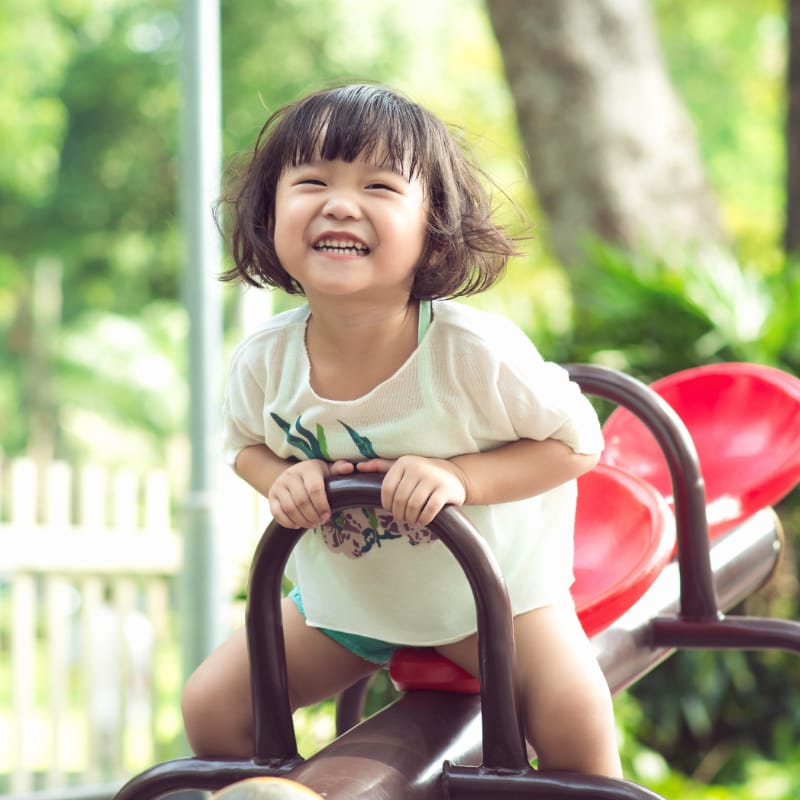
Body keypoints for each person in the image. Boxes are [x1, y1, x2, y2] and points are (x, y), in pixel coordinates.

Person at [181, 83, 622, 777]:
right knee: (212, 708)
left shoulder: (471, 353)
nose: (339, 202)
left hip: (489, 604)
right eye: (312, 181)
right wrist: (281, 477)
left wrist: (461, 477)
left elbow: (576, 444)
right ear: (269, 213)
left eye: (380, 186)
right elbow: (243, 446)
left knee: (575, 728)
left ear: (434, 227)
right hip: (346, 603)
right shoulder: (267, 359)